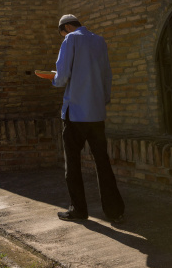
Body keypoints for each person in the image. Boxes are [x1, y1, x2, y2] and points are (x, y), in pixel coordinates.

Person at [37, 14, 125, 223]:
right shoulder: (99, 40)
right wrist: (102, 100)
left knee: (73, 164)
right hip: (96, 113)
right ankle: (115, 210)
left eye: (62, 33)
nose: (63, 36)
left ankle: (78, 210)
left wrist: (54, 78)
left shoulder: (71, 39)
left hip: (75, 112)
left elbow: (63, 75)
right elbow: (107, 74)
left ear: (66, 27)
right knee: (102, 162)